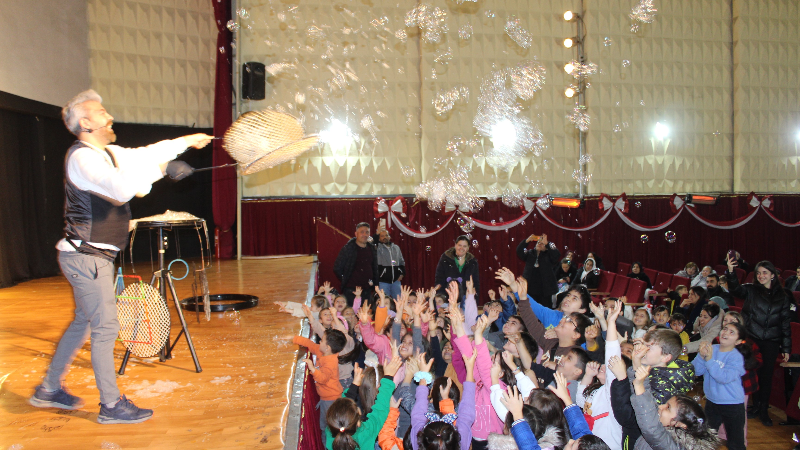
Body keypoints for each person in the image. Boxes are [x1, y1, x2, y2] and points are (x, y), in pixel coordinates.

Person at [28, 90, 212, 424]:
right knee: (105, 327)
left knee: (84, 322)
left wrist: (184, 142)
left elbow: (143, 155)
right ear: (85, 123)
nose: (108, 116)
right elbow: (120, 189)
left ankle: (48, 389)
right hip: (87, 257)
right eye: (100, 112)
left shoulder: (107, 153)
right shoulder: (82, 157)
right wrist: (162, 168)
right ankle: (111, 406)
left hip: (89, 257)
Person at [726, 256, 793, 426]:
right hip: (752, 337)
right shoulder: (750, 289)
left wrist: (786, 347)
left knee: (766, 376)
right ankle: (753, 406)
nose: (761, 276)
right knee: (751, 372)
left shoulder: (784, 296)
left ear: (773, 275)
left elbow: (785, 323)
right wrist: (731, 272)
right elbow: (735, 290)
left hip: (771, 340)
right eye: (758, 273)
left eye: (765, 273)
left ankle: (763, 409)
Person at [325, 355, 403, 450]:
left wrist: (354, 386)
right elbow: (380, 410)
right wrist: (388, 377)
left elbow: (341, 408)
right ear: (358, 422)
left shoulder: (330, 431)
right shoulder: (366, 433)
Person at [691, 323, 746, 450]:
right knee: (706, 438)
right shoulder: (712, 348)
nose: (725, 332)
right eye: (725, 329)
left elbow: (724, 378)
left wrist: (709, 360)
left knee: (735, 442)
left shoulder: (736, 357)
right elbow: (696, 371)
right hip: (712, 402)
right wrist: (701, 355)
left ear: (738, 341)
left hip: (732, 404)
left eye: (732, 332)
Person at [294, 329, 349, 435]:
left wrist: (312, 368)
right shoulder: (322, 352)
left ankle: (327, 444)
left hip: (330, 399)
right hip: (327, 397)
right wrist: (294, 339)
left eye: (322, 340)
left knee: (327, 426)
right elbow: (310, 344)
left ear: (328, 348)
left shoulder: (330, 362)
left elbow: (323, 379)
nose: (320, 342)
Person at [334, 222, 379, 307]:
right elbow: (337, 268)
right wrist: (346, 279)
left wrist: (375, 284)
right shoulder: (348, 249)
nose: (365, 234)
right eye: (362, 232)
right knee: (351, 317)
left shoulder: (372, 249)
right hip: (351, 291)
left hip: (367, 290)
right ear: (356, 234)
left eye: (367, 232)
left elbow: (375, 268)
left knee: (365, 317)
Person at [516, 233, 561, 305]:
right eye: (538, 242)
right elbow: (519, 251)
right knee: (530, 308)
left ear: (546, 247)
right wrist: (527, 240)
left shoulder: (549, 255)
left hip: (545, 289)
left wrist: (547, 243)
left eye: (542, 243)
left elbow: (557, 255)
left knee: (544, 309)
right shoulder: (530, 253)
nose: (539, 244)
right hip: (530, 287)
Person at [435, 236, 480, 303]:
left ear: (468, 248)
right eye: (460, 245)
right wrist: (441, 297)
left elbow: (475, 282)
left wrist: (474, 298)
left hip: (466, 300)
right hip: (448, 299)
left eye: (464, 246)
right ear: (455, 245)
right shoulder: (445, 259)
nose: (461, 248)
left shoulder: (473, 262)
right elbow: (439, 279)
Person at [375, 224, 405, 301]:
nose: (384, 237)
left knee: (398, 301)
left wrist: (402, 273)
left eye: (386, 235)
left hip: (396, 281)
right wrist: (376, 234)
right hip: (383, 281)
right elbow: (371, 242)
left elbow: (401, 261)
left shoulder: (396, 248)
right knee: (384, 301)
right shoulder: (377, 248)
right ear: (379, 238)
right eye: (382, 236)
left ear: (390, 237)